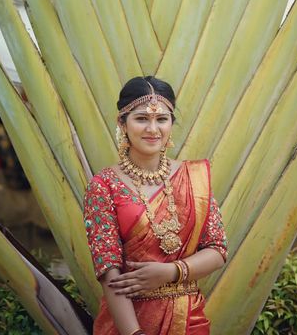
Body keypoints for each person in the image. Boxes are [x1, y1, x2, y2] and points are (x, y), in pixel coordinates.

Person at [83, 76, 228, 335]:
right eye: (141, 119)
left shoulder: (193, 178)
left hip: (189, 319)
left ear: (171, 123)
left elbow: (217, 249)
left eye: (162, 119)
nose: (153, 129)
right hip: (128, 322)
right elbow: (109, 272)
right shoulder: (103, 185)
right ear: (122, 123)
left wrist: (172, 271)